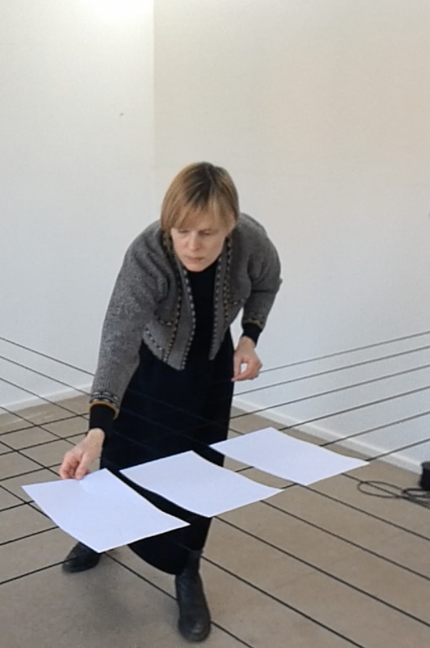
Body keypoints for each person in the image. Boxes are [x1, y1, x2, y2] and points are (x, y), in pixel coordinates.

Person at [58, 162, 282, 642]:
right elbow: (118, 340)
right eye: (182, 231)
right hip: (148, 371)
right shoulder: (147, 255)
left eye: (207, 233)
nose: (193, 245)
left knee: (198, 474)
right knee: (124, 459)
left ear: (230, 225)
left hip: (209, 375)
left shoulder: (250, 241)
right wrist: (96, 430)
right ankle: (100, 533)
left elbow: (268, 281)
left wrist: (250, 336)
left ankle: (186, 571)